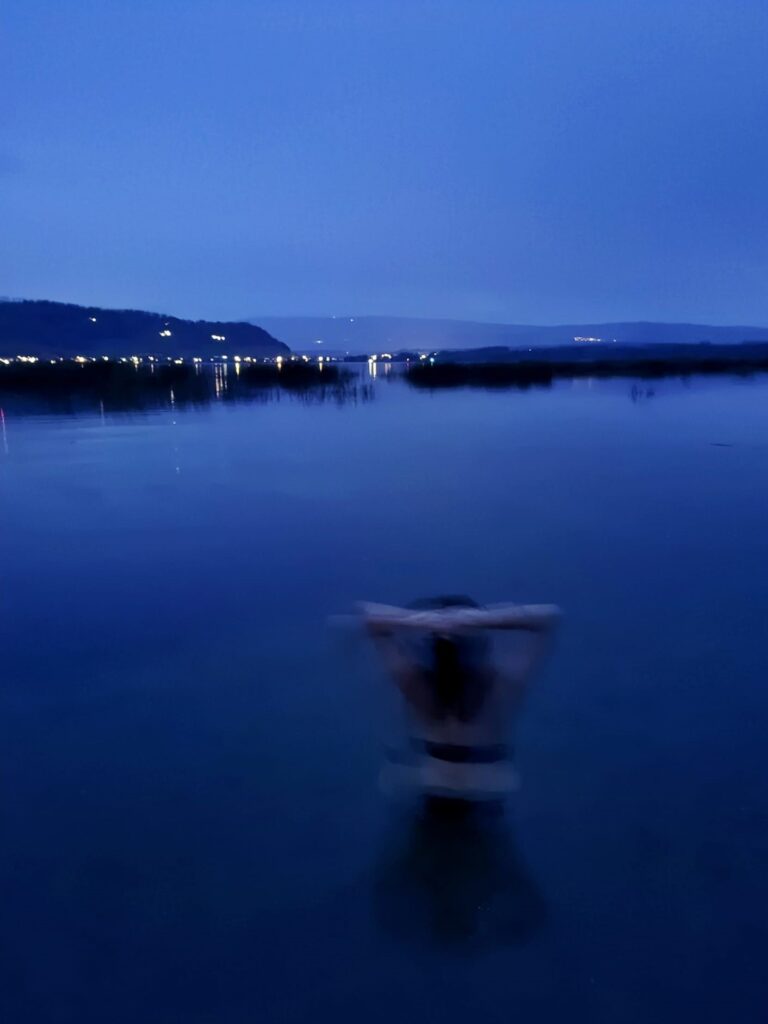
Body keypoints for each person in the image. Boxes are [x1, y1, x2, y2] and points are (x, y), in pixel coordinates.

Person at [364, 595, 559, 806]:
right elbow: (369, 616)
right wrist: (448, 621)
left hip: (471, 800)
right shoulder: (418, 687)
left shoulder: (496, 687)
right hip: (444, 798)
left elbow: (548, 617)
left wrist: (464, 620)